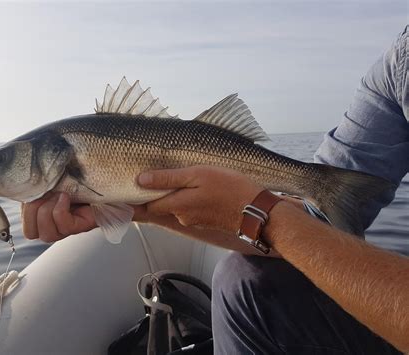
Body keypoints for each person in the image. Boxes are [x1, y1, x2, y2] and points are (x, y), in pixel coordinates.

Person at [21, 26, 409, 353]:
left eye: (5, 160)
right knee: (246, 282)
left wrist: (261, 214)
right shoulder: (394, 69)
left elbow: (289, 225)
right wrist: (140, 207)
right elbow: (314, 223)